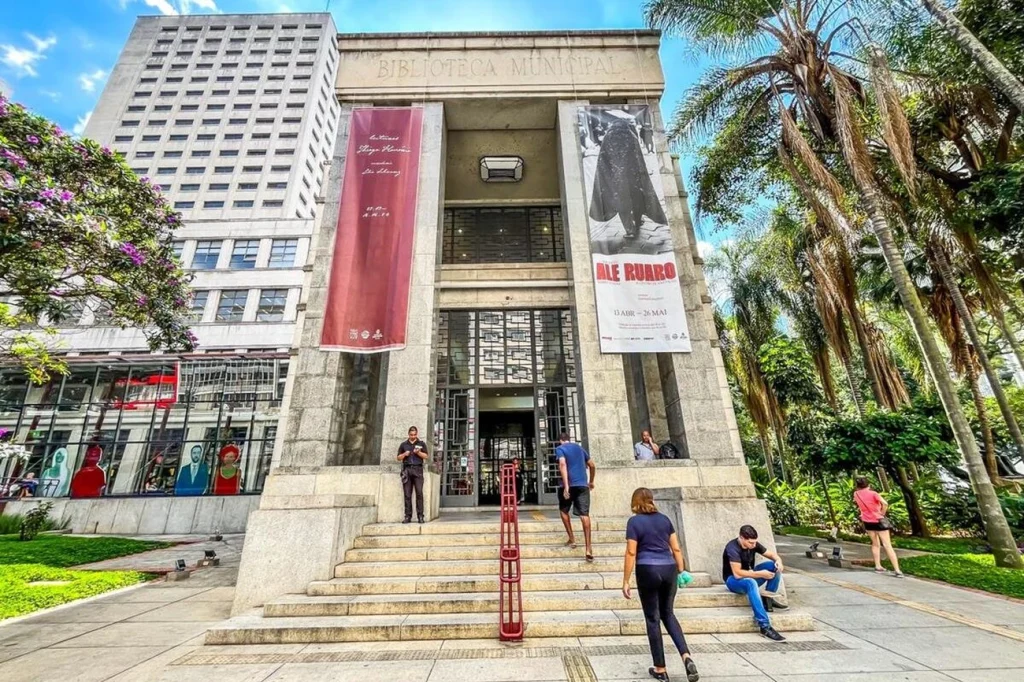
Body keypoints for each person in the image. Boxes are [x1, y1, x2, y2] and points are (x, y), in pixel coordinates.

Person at [622, 488, 699, 682]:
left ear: (635, 502)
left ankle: (660, 668)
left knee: (653, 618)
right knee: (668, 613)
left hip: (647, 569)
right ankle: (686, 656)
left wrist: (626, 580)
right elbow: (675, 547)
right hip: (669, 568)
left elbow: (631, 552)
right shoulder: (665, 520)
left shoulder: (634, 522)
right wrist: (681, 570)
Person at [723, 525, 788, 642]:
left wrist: (779, 561)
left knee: (773, 566)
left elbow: (772, 555)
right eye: (750, 543)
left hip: (750, 574)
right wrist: (761, 574)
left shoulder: (754, 544)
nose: (753, 545)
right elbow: (737, 574)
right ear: (742, 538)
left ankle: (768, 600)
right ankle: (764, 626)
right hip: (733, 581)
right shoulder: (732, 548)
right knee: (751, 582)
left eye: (754, 543)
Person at [556, 432, 596, 561]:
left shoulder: (560, 449)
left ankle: (572, 539)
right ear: (569, 439)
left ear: (561, 440)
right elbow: (592, 465)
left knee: (563, 511)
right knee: (585, 515)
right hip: (582, 485)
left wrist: (566, 486)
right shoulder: (579, 448)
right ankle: (588, 548)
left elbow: (562, 464)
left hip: (568, 485)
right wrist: (591, 481)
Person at [854, 477, 903, 577]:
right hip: (878, 520)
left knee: (875, 543)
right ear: (868, 485)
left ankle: (878, 565)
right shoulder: (873, 494)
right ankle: (897, 570)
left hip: (867, 521)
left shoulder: (856, 494)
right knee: (887, 545)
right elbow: (885, 503)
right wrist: (882, 513)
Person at [397, 426, 428, 524]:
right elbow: (398, 457)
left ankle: (420, 516)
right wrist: (404, 455)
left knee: (419, 493)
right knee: (407, 495)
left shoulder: (421, 444)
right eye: (411, 435)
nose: (413, 436)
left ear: (417, 434)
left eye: (414, 434)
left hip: (418, 470)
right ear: (408, 434)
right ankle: (408, 516)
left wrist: (418, 453)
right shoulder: (403, 445)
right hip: (407, 470)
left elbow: (426, 456)